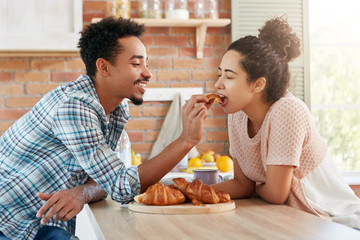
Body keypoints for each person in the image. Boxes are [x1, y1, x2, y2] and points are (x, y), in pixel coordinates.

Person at [0, 17, 210, 240]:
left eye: (147, 63)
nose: (148, 73)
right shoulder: (75, 107)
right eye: (136, 64)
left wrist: (83, 192)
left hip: (36, 224)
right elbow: (121, 186)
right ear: (104, 67)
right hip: (8, 223)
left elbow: (107, 180)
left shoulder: (114, 110)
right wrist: (186, 140)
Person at [212, 16, 360, 229]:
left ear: (258, 84)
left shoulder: (287, 109)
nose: (218, 84)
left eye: (229, 76)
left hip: (332, 219)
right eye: (219, 74)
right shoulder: (236, 115)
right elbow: (243, 185)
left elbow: (275, 194)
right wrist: (190, 190)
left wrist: (259, 188)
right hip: (290, 219)